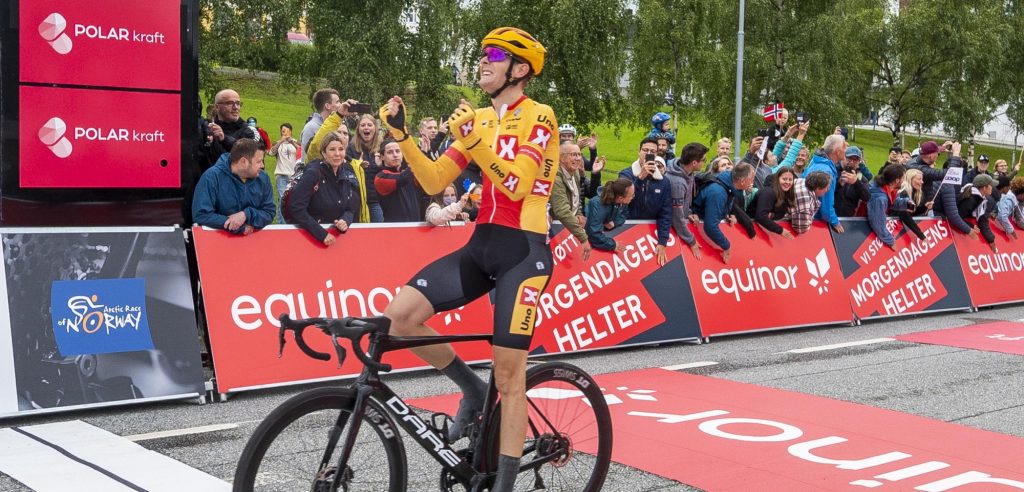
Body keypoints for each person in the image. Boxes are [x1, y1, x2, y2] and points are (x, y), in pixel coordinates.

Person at [378, 27, 558, 490]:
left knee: (509, 374)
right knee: (398, 318)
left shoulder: (540, 116)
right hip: (481, 244)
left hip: (524, 250)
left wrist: (474, 140)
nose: (483, 61)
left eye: (494, 55)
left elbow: (517, 184)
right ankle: (470, 387)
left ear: (519, 69)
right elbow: (437, 179)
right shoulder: (478, 116)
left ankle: (505, 484)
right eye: (481, 54)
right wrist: (404, 137)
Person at [286, 132, 362, 246]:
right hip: (309, 241)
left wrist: (345, 220)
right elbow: (296, 207)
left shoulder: (346, 173)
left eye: (341, 149)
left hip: (335, 242)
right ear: (324, 153)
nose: (337, 154)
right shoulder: (313, 173)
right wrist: (321, 234)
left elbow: (351, 207)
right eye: (332, 149)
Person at [192, 138, 275, 234]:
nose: (262, 166)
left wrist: (246, 214)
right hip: (218, 242)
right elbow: (201, 214)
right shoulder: (212, 177)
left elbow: (269, 212)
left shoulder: (263, 178)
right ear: (243, 162)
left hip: (254, 242)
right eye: (259, 161)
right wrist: (238, 226)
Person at [309, 104, 371, 223]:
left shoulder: (355, 166)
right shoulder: (318, 165)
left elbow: (358, 203)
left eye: (345, 133)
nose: (341, 136)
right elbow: (316, 145)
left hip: (354, 227)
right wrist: (339, 114)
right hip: (326, 229)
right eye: (338, 132)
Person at [618, 138, 672, 266]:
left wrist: (663, 241)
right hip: (625, 229)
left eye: (652, 151)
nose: (648, 153)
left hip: (648, 234)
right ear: (639, 152)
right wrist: (640, 179)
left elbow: (666, 213)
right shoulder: (626, 174)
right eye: (645, 150)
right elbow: (624, 201)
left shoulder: (663, 181)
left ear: (656, 155)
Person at [691, 162, 757, 263]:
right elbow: (710, 226)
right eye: (752, 178)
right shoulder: (718, 192)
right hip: (694, 228)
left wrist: (729, 214)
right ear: (743, 181)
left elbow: (725, 206)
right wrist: (726, 246)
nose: (753, 181)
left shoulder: (729, 186)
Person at [550, 141, 591, 260]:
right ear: (561, 158)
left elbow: (576, 196)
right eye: (573, 155)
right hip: (553, 232)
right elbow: (562, 211)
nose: (578, 158)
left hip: (567, 228)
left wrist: (578, 213)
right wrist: (583, 238)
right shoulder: (556, 178)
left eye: (579, 155)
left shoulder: (575, 172)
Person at [665, 143, 707, 259]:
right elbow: (676, 216)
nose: (705, 162)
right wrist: (691, 241)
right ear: (694, 163)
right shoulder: (677, 183)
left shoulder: (688, 172)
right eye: (704, 160)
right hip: (668, 226)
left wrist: (689, 214)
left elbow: (685, 203)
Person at [803, 134, 847, 233]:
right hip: (814, 223)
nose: (846, 150)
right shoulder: (827, 171)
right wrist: (835, 222)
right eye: (844, 147)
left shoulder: (817, 161)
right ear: (838, 151)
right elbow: (825, 205)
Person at [867, 164, 915, 249]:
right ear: (897, 180)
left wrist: (906, 203)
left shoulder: (887, 188)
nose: (904, 181)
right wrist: (890, 241)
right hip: (864, 231)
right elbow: (877, 224)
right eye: (903, 178)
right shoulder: (880, 198)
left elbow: (893, 202)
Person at [375, 139, 423, 222]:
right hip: (394, 230)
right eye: (390, 152)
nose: (395, 155)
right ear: (382, 157)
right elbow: (402, 178)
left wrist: (428, 152)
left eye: (398, 151)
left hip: (415, 228)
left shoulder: (407, 173)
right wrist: (421, 155)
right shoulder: (381, 177)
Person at [349, 114, 385, 223]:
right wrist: (357, 166)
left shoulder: (382, 147)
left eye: (369, 125)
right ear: (358, 129)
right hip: (356, 201)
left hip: (375, 201)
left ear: (375, 128)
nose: (366, 128)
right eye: (363, 125)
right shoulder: (351, 147)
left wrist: (380, 166)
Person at [205, 89, 258, 162]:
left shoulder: (249, 131)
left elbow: (249, 154)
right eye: (230, 103)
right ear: (217, 107)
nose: (235, 107)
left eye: (238, 103)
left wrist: (224, 138)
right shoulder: (206, 127)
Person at [585, 179, 634, 252]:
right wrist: (613, 245)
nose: (633, 197)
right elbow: (593, 235)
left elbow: (624, 215)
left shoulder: (622, 202)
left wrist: (615, 223)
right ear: (620, 198)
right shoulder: (597, 205)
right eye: (631, 195)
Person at [752, 167, 798, 239]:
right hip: (752, 228)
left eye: (790, 180)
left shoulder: (786, 194)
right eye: (784, 179)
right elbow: (760, 216)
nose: (787, 182)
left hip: (762, 228)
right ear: (778, 179)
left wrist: (773, 215)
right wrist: (781, 230)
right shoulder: (768, 192)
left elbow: (782, 212)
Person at [269, 123, 301, 223]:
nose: (284, 132)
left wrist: (291, 142)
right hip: (281, 175)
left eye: (286, 130)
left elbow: (302, 153)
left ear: (290, 132)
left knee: (293, 200)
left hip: (293, 176)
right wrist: (281, 141)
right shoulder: (278, 144)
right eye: (282, 131)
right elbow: (271, 152)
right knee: (283, 199)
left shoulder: (296, 143)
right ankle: (282, 224)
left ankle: (292, 221)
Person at [956, 174, 999, 248]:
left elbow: (982, 219)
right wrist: (970, 226)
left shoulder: (978, 197)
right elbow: (957, 217)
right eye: (991, 185)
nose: (993, 188)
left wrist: (991, 239)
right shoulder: (970, 200)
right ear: (984, 188)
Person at [300, 88, 342, 155]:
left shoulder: (337, 125)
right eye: (337, 102)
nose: (340, 105)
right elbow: (307, 157)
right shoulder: (311, 128)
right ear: (327, 106)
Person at [834, 147, 871, 218]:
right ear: (844, 158)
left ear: (859, 162)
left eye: (855, 160)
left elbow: (867, 197)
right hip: (829, 216)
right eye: (849, 158)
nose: (852, 162)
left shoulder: (860, 178)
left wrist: (856, 182)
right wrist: (839, 184)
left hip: (848, 218)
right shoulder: (834, 170)